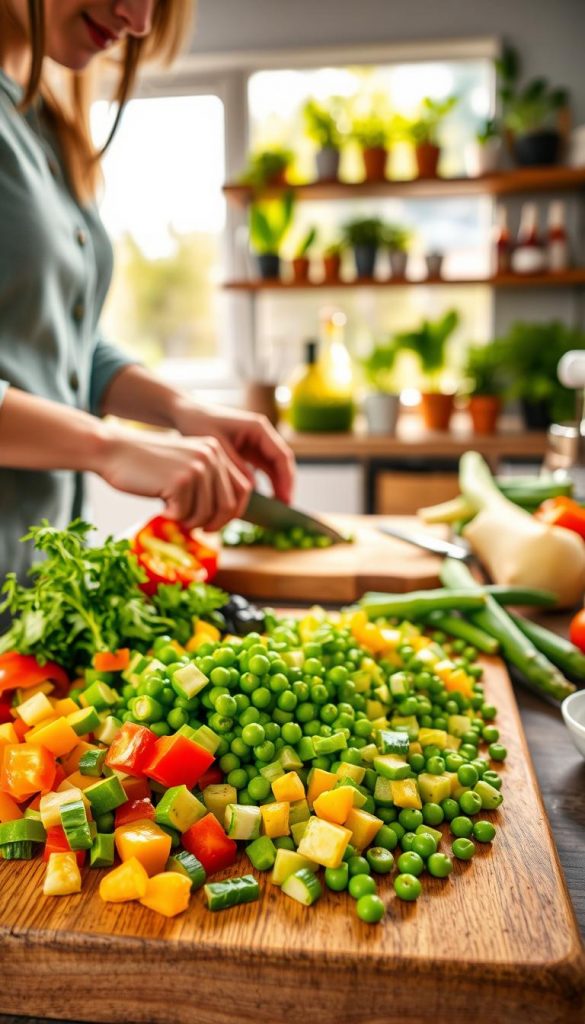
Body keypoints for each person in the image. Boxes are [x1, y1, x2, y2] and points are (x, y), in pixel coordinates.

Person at [0, 0, 295, 582]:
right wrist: (108, 447)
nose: (138, 20)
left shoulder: (41, 119)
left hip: (33, 591)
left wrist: (180, 410)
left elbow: (54, 339)